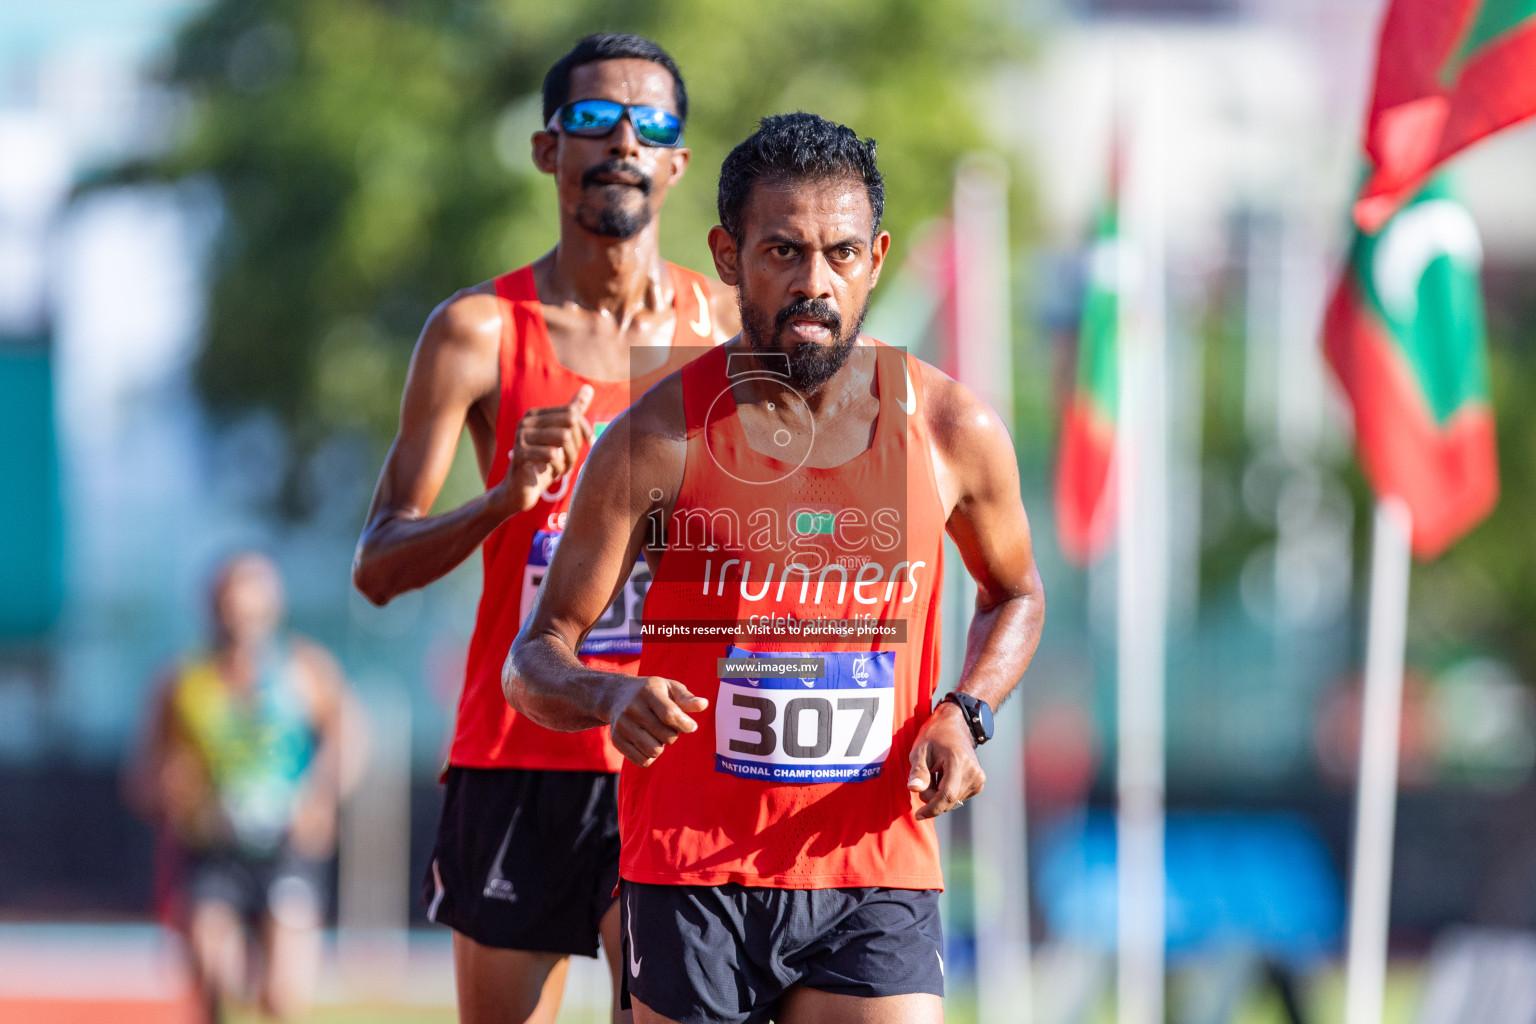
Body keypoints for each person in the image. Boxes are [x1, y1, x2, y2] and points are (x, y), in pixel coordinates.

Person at [507, 113, 1045, 1024]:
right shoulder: (654, 441)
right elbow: (535, 659)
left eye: (840, 254)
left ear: (876, 258)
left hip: (874, 863)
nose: (815, 284)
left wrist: (967, 709)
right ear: (727, 256)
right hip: (693, 872)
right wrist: (605, 696)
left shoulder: (950, 428)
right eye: (783, 252)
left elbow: (1016, 595)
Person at [351, 32, 737, 1024]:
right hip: (519, 751)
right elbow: (378, 566)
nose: (622, 139)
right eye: (593, 119)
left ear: (678, 161)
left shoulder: (731, 335)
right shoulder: (478, 332)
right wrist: (501, 502)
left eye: (650, 124)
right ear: (545, 148)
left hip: (668, 749)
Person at [127, 552, 363, 1023]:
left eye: (252, 612)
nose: (242, 625)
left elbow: (350, 738)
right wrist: (169, 788)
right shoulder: (181, 682)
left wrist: (320, 795)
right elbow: (141, 778)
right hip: (212, 850)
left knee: (282, 997)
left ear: (272, 610)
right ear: (212, 611)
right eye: (231, 613)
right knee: (215, 975)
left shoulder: (305, 670)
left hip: (286, 849)